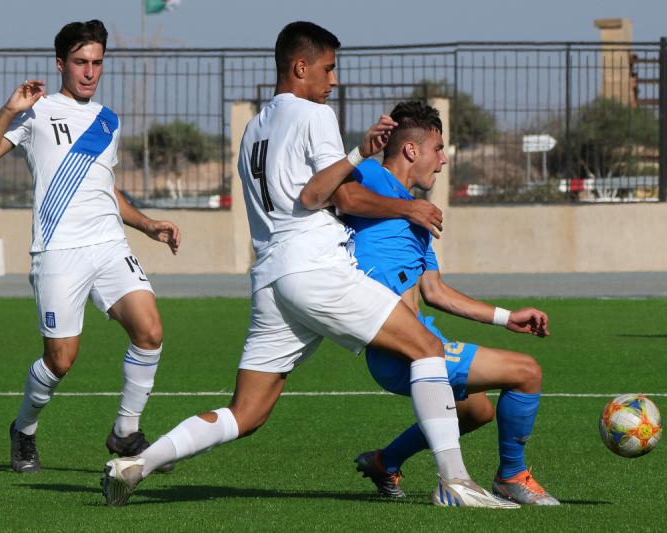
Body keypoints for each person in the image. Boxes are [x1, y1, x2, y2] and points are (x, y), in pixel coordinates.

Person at [102, 21, 516, 509]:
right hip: (314, 267)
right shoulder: (315, 115)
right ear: (301, 67)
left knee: (247, 412)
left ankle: (137, 463)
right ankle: (455, 482)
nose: (333, 80)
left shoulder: (255, 128)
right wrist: (377, 170)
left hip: (271, 278)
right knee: (426, 347)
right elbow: (327, 196)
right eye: (329, 68)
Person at [0, 20, 180, 474]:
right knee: (60, 360)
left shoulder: (108, 120)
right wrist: (8, 110)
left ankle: (125, 432)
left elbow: (104, 188)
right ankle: (24, 430)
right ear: (60, 64)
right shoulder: (36, 111)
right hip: (58, 252)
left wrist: (147, 225)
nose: (89, 72)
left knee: (150, 332)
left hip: (109, 245)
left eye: (97, 63)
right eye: (81, 62)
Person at [341, 101, 559, 505]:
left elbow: (436, 292)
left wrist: (507, 317)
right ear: (411, 150)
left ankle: (385, 462)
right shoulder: (372, 176)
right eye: (438, 149)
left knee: (477, 411)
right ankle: (511, 476)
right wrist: (405, 205)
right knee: (526, 372)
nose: (443, 160)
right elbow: (341, 195)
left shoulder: (419, 220)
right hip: (397, 347)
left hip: (423, 338)